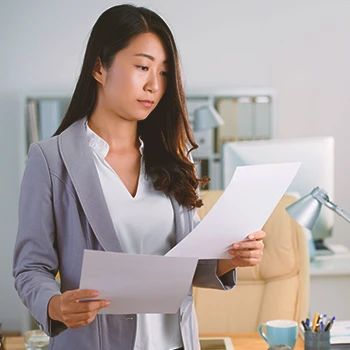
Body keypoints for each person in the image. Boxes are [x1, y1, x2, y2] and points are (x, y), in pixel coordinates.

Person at [13, 4, 265, 350]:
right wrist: (55, 305)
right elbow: (30, 268)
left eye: (163, 73)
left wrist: (230, 258)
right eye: (142, 67)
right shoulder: (51, 160)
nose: (153, 85)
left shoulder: (175, 158)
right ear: (99, 67)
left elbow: (190, 264)